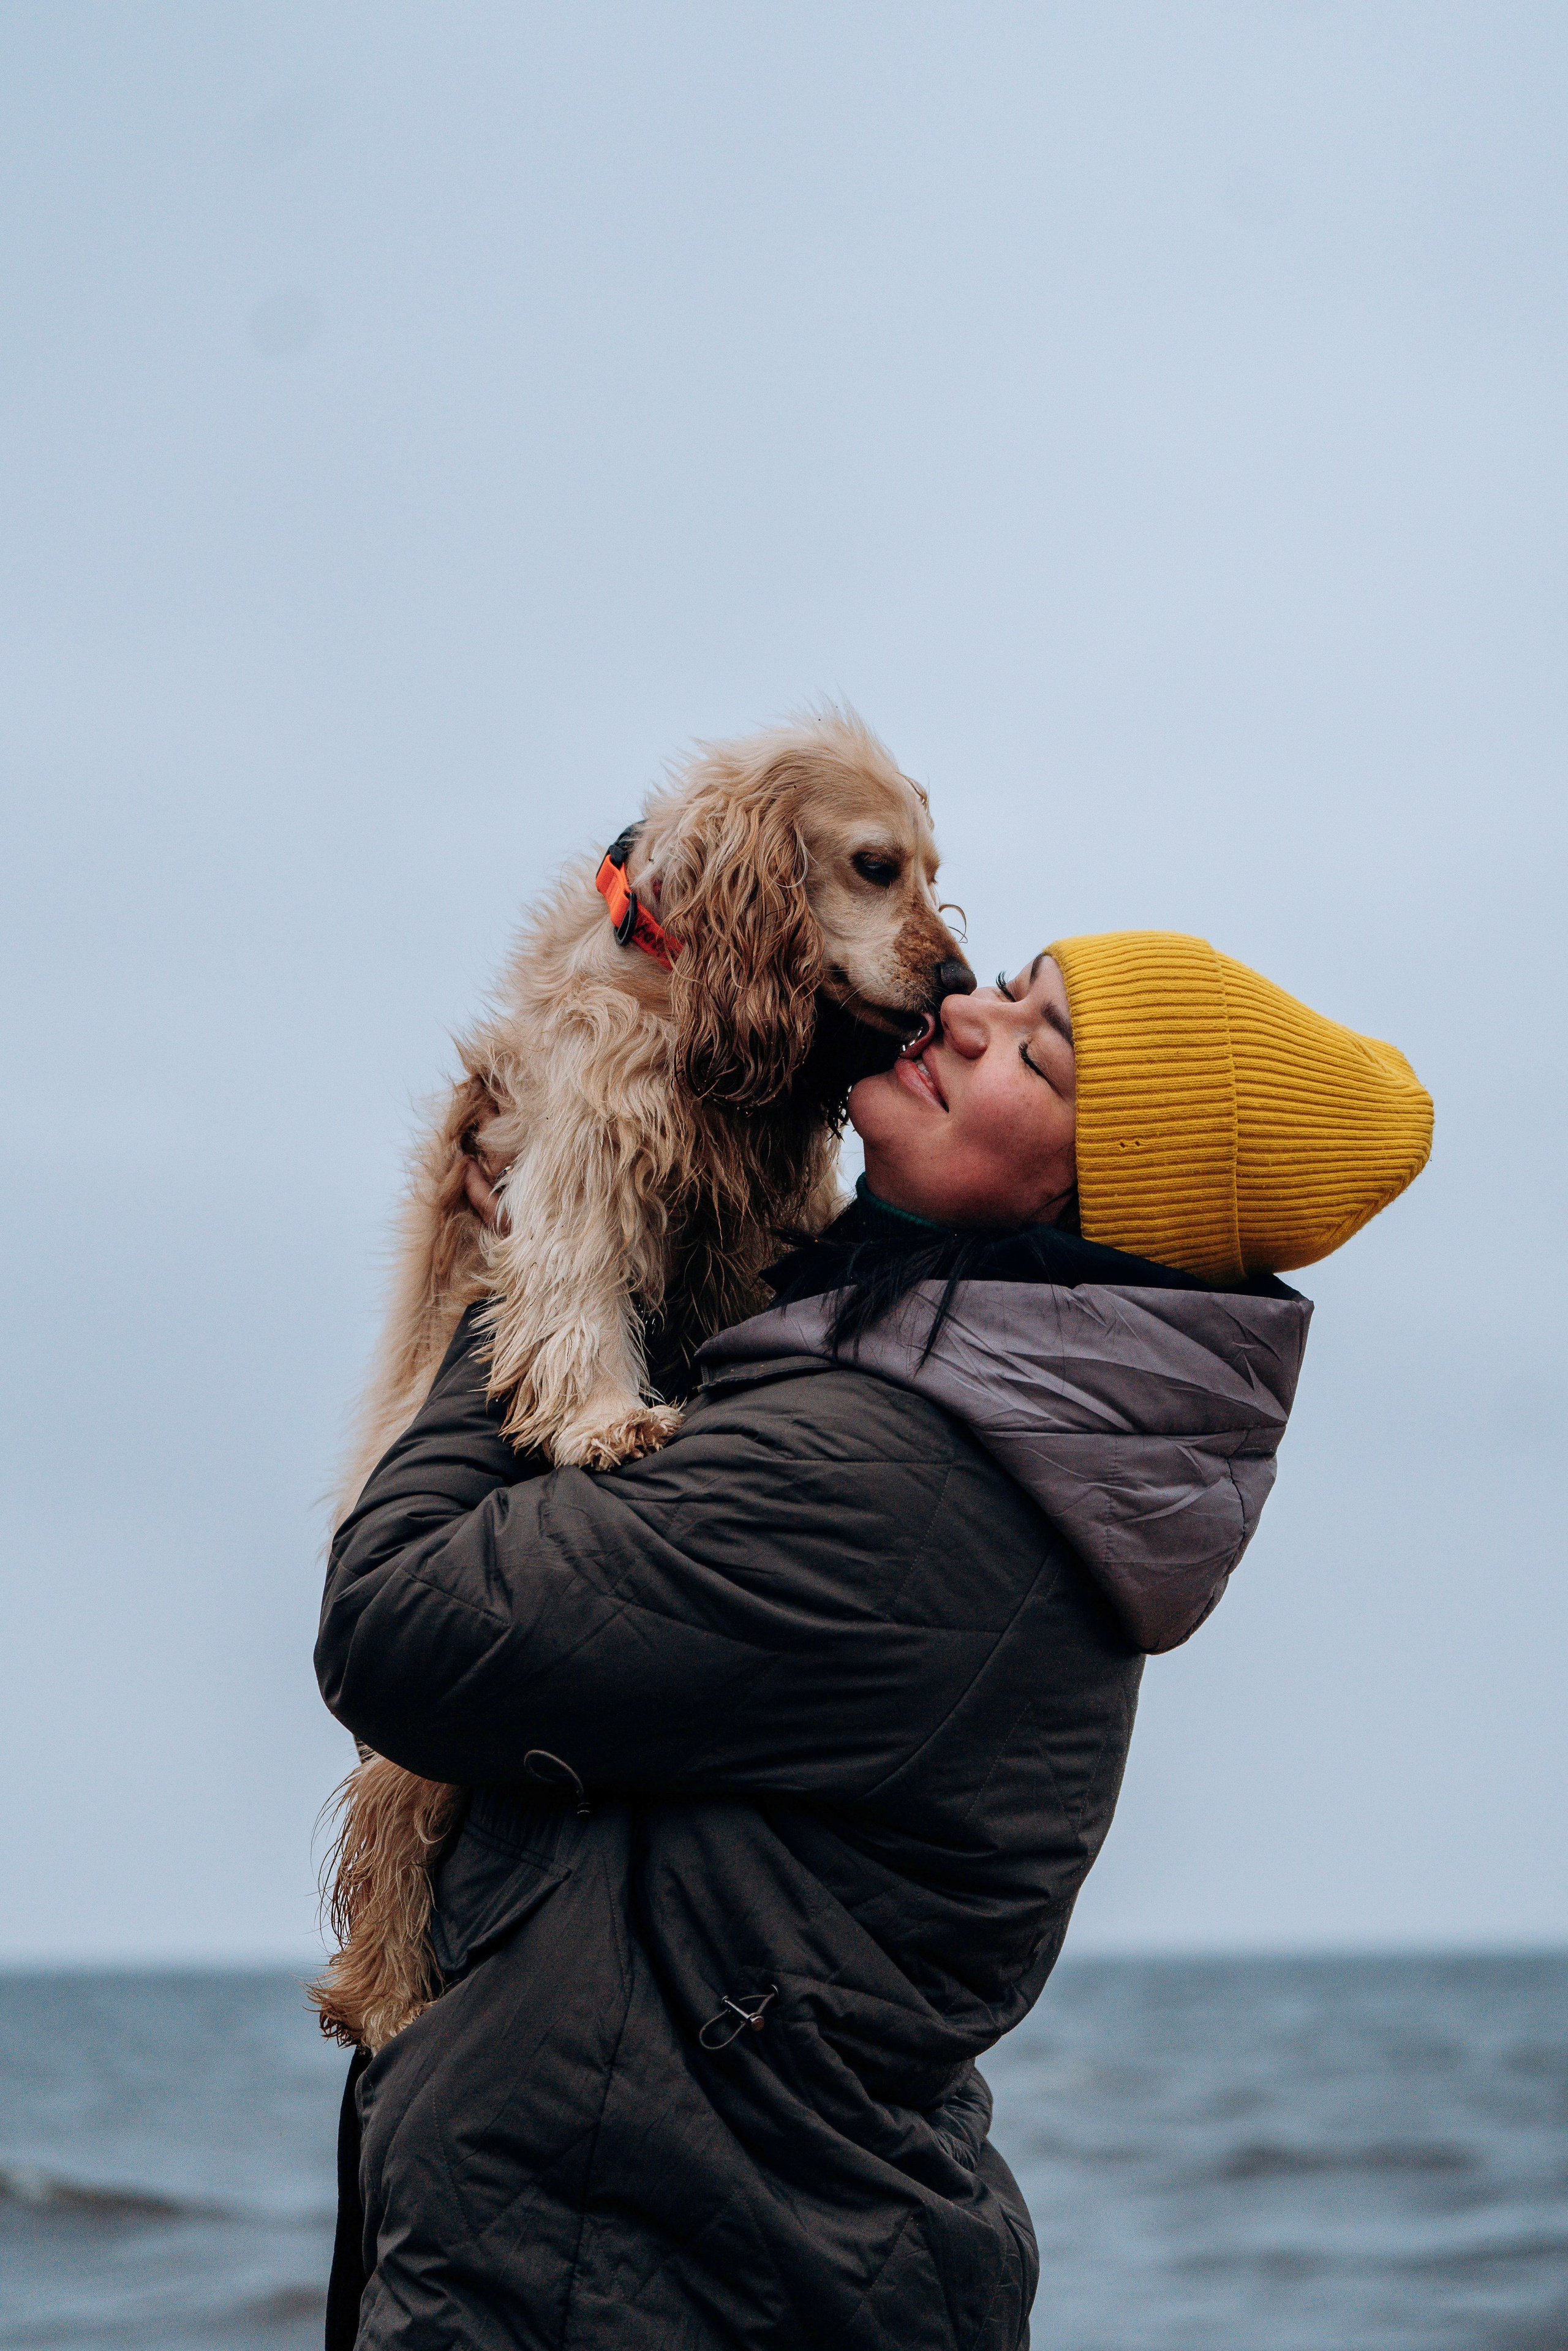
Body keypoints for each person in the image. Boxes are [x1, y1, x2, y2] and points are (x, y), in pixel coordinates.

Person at [316, 930, 1431, 2351]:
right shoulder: (904, 1411)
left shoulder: (882, 1475)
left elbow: (398, 1622)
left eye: (1037, 1049)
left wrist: (537, 1276)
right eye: (1007, 988)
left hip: (658, 2294)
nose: (961, 1013)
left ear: (1111, 1201)